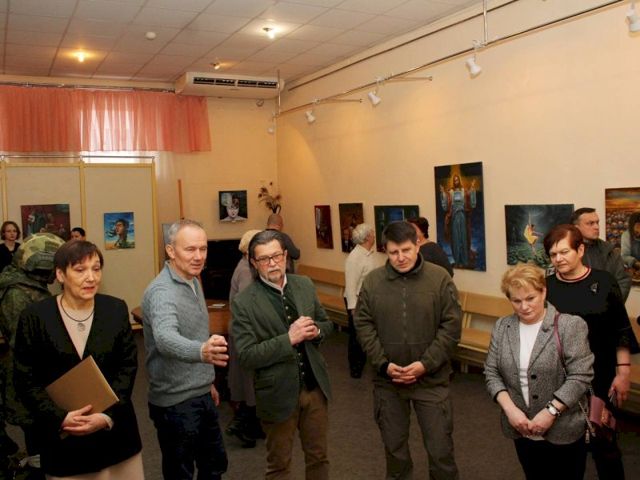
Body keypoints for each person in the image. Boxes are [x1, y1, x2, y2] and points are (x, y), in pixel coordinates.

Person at [12, 240, 143, 479]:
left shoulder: (114, 309)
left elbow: (127, 367)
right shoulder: (35, 317)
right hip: (65, 443)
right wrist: (59, 418)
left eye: (96, 268)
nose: (91, 277)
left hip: (115, 437)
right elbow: (25, 378)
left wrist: (105, 416)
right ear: (60, 275)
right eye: (80, 270)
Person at [354, 221, 462, 480]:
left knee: (440, 451)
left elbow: (451, 328)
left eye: (406, 250)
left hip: (431, 381)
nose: (400, 258)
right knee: (395, 452)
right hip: (388, 383)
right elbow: (363, 325)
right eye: (393, 252)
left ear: (417, 246)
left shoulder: (440, 279)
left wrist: (426, 364)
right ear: (385, 251)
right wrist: (383, 364)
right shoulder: (373, 282)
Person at [232, 229, 333, 480]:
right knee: (279, 466)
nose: (272, 263)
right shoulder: (244, 302)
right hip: (276, 395)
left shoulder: (304, 285)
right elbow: (246, 355)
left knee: (319, 458)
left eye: (276, 256)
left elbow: (326, 323)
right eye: (264, 259)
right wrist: (289, 339)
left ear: (286, 256)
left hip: (314, 389)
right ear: (254, 263)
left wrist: (316, 331)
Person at [543, 224, 639, 480]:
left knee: (604, 444)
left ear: (581, 250)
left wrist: (623, 372)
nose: (558, 259)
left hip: (600, 376)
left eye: (564, 252)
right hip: (561, 379)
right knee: (566, 447)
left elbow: (621, 329)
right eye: (553, 254)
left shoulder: (604, 282)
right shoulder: (545, 287)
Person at [484, 263, 594, 480]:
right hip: (521, 427)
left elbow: (581, 376)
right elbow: (491, 372)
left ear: (543, 292)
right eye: (516, 301)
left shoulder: (570, 326)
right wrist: (511, 410)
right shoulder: (503, 327)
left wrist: (550, 412)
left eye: (530, 298)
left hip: (563, 429)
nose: (524, 307)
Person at [142, 219, 229, 480]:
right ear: (171, 251)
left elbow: (194, 333)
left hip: (199, 392)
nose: (199, 256)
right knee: (180, 473)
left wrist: (207, 381)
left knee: (214, 465)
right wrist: (203, 352)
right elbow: (165, 338)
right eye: (190, 249)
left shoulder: (192, 279)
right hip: (175, 402)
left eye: (203, 248)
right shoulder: (162, 291)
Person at [0, 232, 65, 478]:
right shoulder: (16, 293)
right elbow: (24, 343)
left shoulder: (28, 286)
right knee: (38, 435)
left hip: (38, 376)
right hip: (26, 379)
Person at [226, 228, 263, 448]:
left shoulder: (244, 266)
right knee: (249, 383)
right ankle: (243, 425)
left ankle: (251, 425)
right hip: (246, 335)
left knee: (248, 383)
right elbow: (248, 307)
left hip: (243, 333)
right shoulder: (247, 272)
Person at [571, 207, 631, 301]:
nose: (597, 227)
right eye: (590, 223)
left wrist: (611, 304)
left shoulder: (609, 250)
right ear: (576, 228)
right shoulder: (567, 252)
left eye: (597, 222)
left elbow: (623, 280)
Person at [343, 223, 377, 378]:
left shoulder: (367, 254)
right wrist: (353, 308)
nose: (374, 236)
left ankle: (361, 363)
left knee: (364, 334)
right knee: (356, 336)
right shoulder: (355, 257)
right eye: (373, 234)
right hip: (357, 301)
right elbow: (350, 285)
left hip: (366, 300)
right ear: (368, 237)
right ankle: (355, 368)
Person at [440, 175, 476, 268]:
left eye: (457, 180)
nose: (456, 182)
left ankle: (464, 261)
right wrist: (443, 193)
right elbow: (446, 205)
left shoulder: (463, 191)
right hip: (454, 218)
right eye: (454, 180)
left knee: (463, 238)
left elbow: (470, 200)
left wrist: (472, 188)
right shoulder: (451, 192)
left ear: (459, 181)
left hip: (462, 217)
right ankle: (457, 260)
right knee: (455, 239)